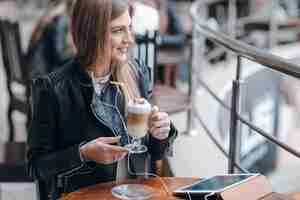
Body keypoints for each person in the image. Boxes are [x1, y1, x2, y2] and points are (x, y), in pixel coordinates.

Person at [27, 0, 177, 199]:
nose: (129, 39)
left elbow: (155, 153)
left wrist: (161, 134)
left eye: (129, 28)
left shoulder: (137, 74)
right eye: (118, 30)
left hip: (135, 194)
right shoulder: (52, 89)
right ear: (91, 34)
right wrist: (82, 153)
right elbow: (36, 167)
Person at [26, 0, 75, 78]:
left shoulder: (50, 15)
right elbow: (60, 56)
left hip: (34, 75)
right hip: (42, 78)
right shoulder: (60, 18)